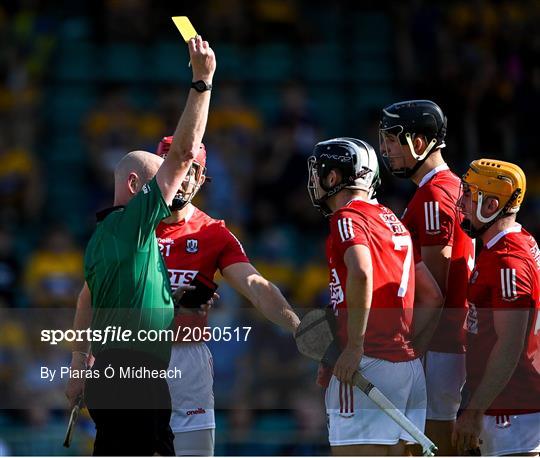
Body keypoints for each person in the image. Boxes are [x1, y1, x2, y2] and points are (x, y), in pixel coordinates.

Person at [65, 35, 216, 456]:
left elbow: (88, 304)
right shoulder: (132, 225)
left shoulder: (102, 240)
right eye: (158, 186)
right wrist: (202, 82)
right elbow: (185, 153)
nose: (170, 195)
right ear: (135, 186)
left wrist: (78, 369)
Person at [154, 135, 300, 456]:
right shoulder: (130, 227)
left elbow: (257, 288)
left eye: (190, 169)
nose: (180, 175)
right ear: (157, 170)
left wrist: (298, 328)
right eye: (172, 165)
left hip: (188, 360)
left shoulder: (213, 233)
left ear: (202, 178)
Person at [307, 137, 443, 455]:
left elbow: (362, 271)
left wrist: (355, 346)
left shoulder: (346, 218)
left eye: (318, 173)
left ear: (332, 178)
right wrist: (407, 351)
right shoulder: (393, 221)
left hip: (366, 366)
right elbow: (433, 297)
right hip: (409, 370)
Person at [379, 99, 475, 454]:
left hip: (438, 344)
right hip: (445, 342)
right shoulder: (446, 188)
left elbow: (434, 289)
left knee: (430, 446)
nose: (386, 149)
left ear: (418, 142)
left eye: (392, 140)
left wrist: (406, 353)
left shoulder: (434, 195)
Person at [453, 159, 540, 456]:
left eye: (468, 194)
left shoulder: (507, 261)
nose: (461, 202)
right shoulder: (517, 241)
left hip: (513, 409)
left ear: (490, 205)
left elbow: (510, 344)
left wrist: (475, 412)